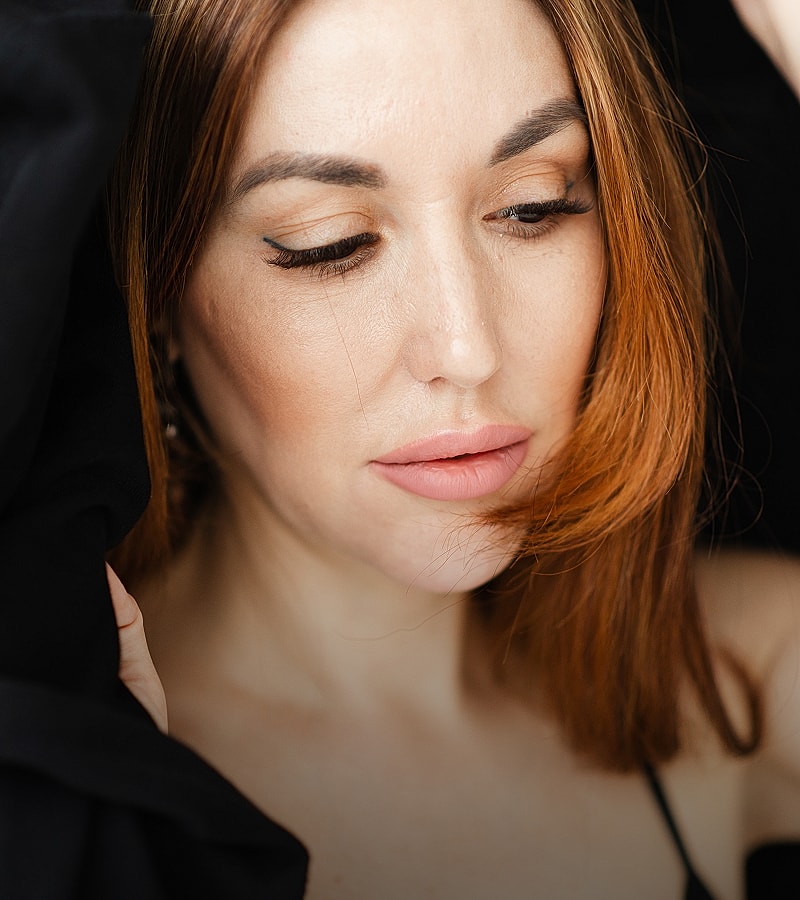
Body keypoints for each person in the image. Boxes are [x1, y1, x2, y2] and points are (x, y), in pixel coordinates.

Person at [1, 0, 798, 898]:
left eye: (534, 207)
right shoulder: (57, 793)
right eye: (328, 244)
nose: (467, 349)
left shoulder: (742, 680)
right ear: (154, 292)